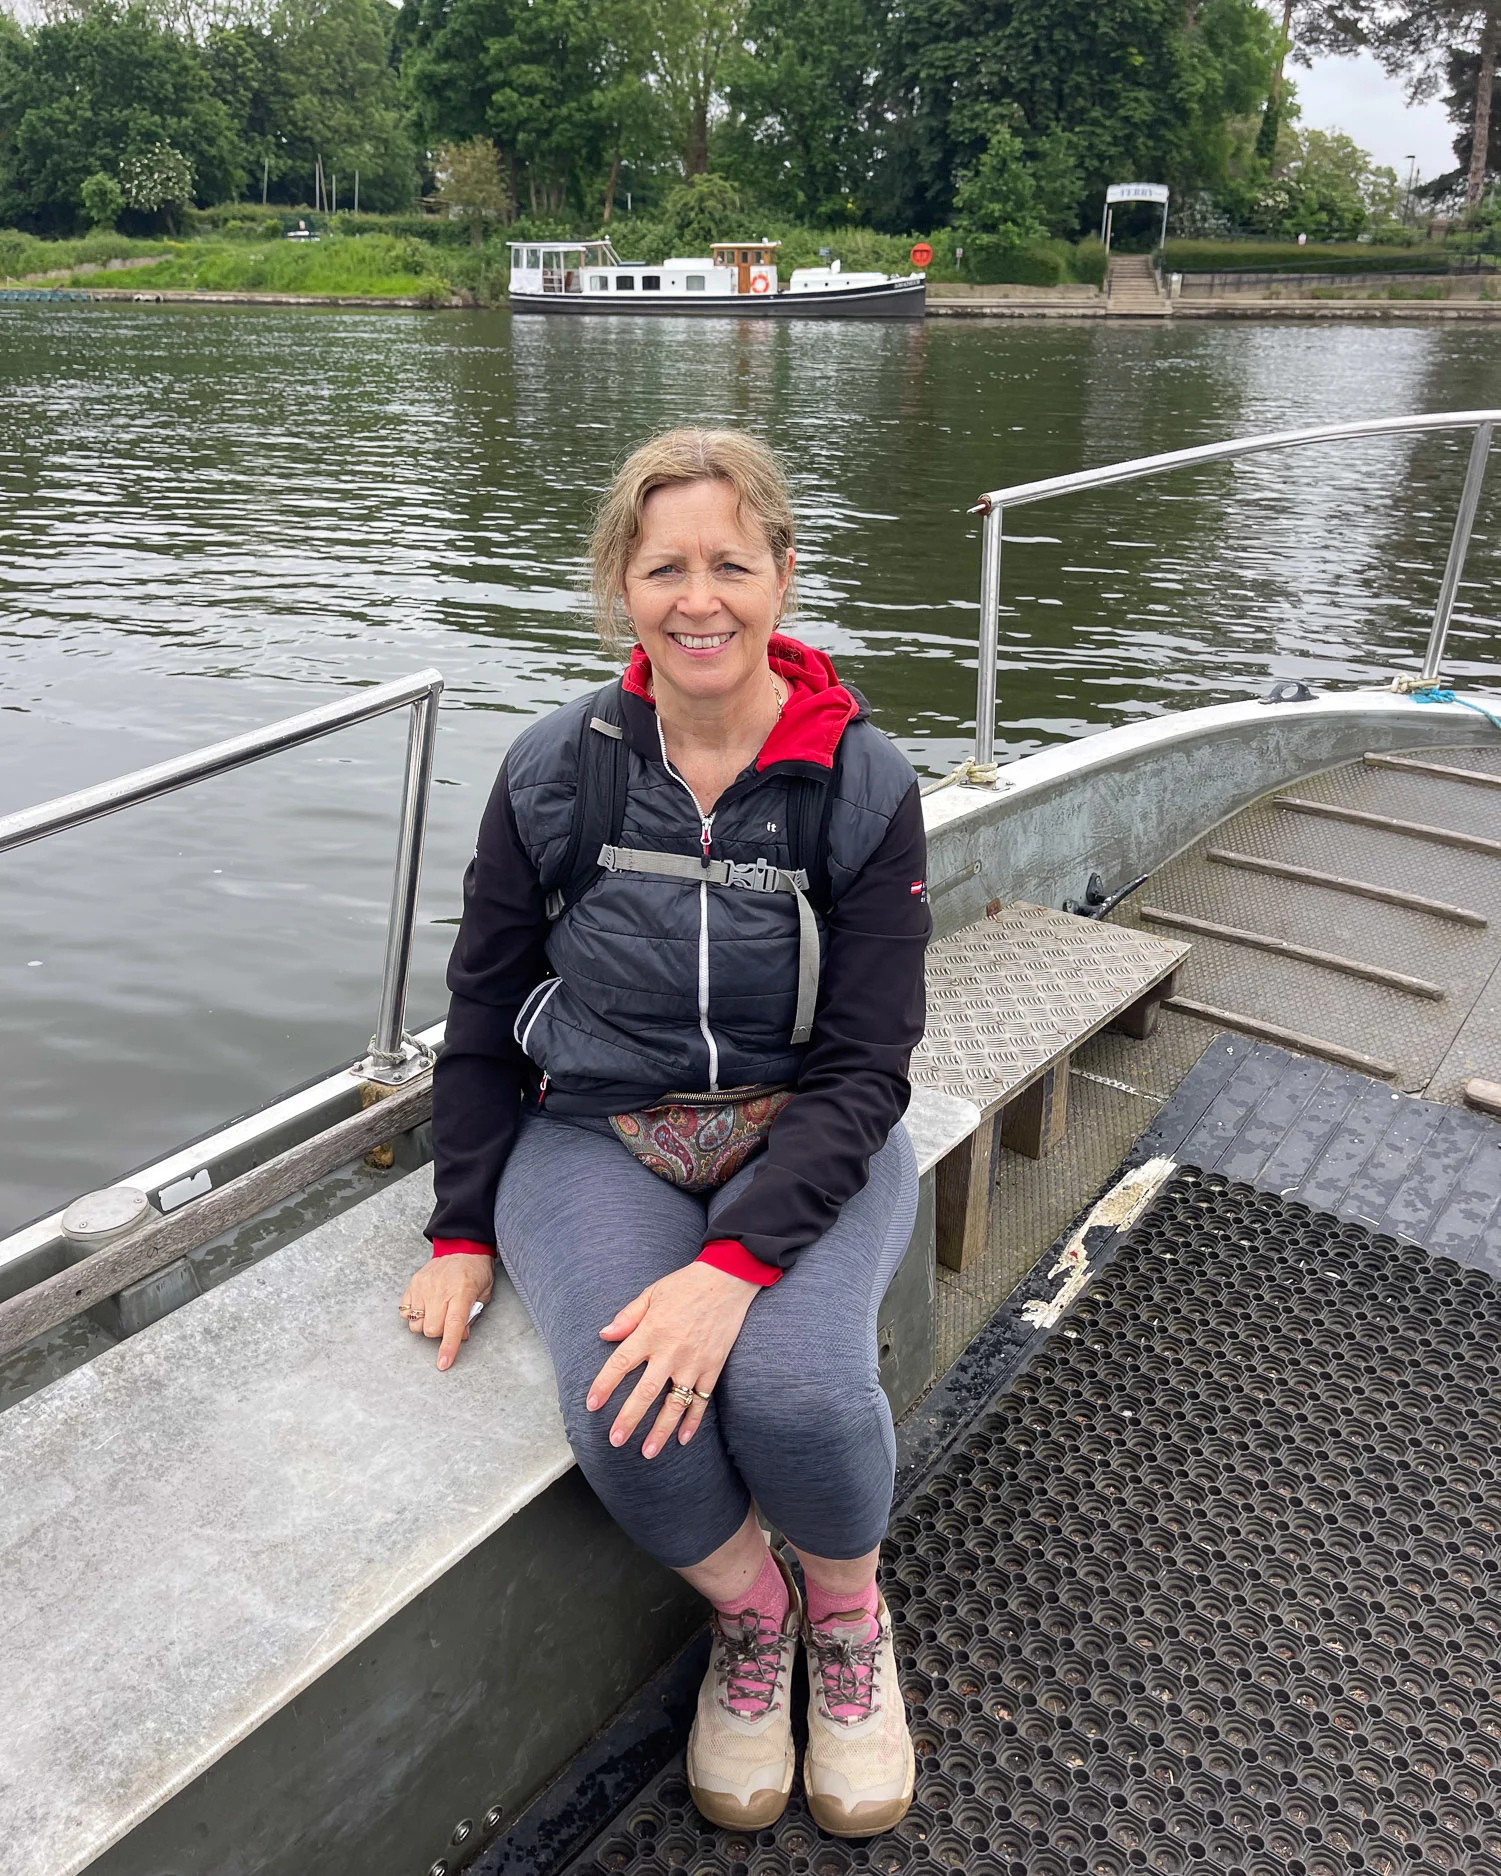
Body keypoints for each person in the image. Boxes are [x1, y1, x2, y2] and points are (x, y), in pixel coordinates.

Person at [398, 427, 930, 1838]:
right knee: (629, 1405)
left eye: (732, 566)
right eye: (667, 569)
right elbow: (482, 1004)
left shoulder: (862, 786)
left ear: (784, 579)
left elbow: (873, 1064)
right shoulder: (556, 772)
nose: (702, 600)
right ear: (621, 590)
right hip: (598, 1126)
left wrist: (731, 1270)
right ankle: (754, 1629)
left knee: (799, 1389)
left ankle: (851, 1629)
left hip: (806, 1125)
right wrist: (459, 1224)